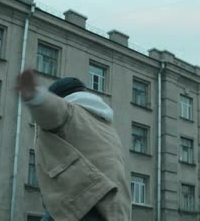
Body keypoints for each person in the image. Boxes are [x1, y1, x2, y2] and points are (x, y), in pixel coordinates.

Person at [16, 69, 131, 221]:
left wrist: (36, 96)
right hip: (113, 205)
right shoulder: (105, 124)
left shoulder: (71, 112)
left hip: (84, 200)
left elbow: (55, 110)